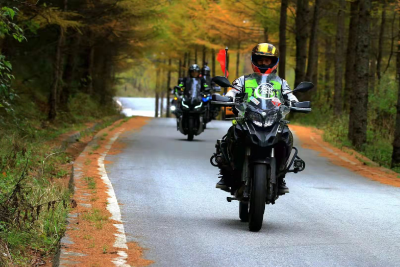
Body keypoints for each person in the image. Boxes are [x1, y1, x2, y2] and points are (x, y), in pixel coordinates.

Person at [215, 43, 299, 195]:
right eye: (260, 60)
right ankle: (227, 174)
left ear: (274, 62)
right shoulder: (244, 80)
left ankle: (280, 176)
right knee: (231, 134)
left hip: (273, 119)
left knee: (287, 136)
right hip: (247, 119)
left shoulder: (281, 82)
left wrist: (296, 102)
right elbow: (233, 91)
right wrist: (227, 98)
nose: (264, 63)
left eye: (267, 60)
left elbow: (289, 95)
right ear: (254, 60)